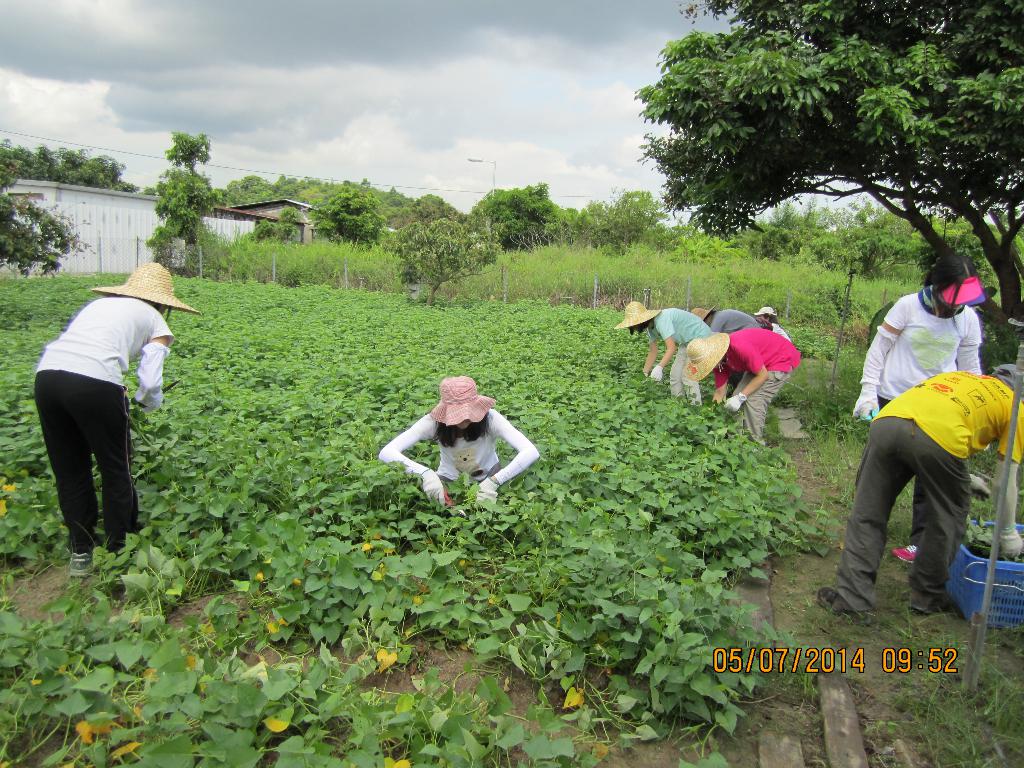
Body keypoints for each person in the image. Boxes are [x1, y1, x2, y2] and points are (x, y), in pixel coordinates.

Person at [34, 263, 198, 577]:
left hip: (47, 378)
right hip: (95, 384)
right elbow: (150, 382)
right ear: (163, 302)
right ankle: (117, 549)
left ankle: (81, 553)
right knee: (116, 467)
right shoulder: (156, 318)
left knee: (69, 470)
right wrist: (144, 403)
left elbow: (88, 349)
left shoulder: (100, 305)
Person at [818, 369, 1024, 617]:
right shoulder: (1017, 406)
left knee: (868, 512)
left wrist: (965, 479)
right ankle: (927, 596)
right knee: (946, 518)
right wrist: (1008, 533)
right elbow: (1005, 481)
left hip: (888, 419)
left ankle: (852, 600)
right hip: (938, 440)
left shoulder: (961, 377)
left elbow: (926, 422)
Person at [853, 253, 985, 563]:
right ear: (936, 285)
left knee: (931, 479)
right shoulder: (908, 306)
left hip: (939, 407)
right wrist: (868, 391)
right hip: (894, 400)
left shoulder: (967, 319)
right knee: (878, 474)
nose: (954, 307)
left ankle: (920, 543)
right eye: (950, 299)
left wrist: (974, 407)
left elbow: (970, 368)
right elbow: (879, 349)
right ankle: (864, 535)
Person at [379, 376, 539, 505]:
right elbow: (387, 452)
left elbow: (530, 451)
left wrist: (495, 481)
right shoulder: (433, 422)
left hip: (489, 475)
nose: (465, 418)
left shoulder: (490, 418)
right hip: (449, 480)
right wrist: (427, 475)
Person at [683, 327, 801, 442]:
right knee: (735, 396)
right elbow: (720, 392)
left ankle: (754, 445)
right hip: (761, 365)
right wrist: (710, 417)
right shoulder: (719, 364)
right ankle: (736, 440)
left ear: (714, 355)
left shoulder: (739, 346)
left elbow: (763, 375)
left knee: (754, 400)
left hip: (779, 360)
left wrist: (741, 397)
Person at [615, 301, 711, 403]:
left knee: (688, 376)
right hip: (686, 342)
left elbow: (671, 348)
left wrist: (659, 367)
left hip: (701, 337)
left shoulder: (661, 320)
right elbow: (653, 351)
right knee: (675, 376)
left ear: (641, 321)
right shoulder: (650, 328)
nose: (634, 328)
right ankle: (679, 406)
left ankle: (695, 409)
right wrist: (644, 373)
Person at [691, 306, 760, 334]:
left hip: (753, 332)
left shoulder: (717, 320)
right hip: (752, 330)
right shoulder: (719, 316)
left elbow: (712, 341)